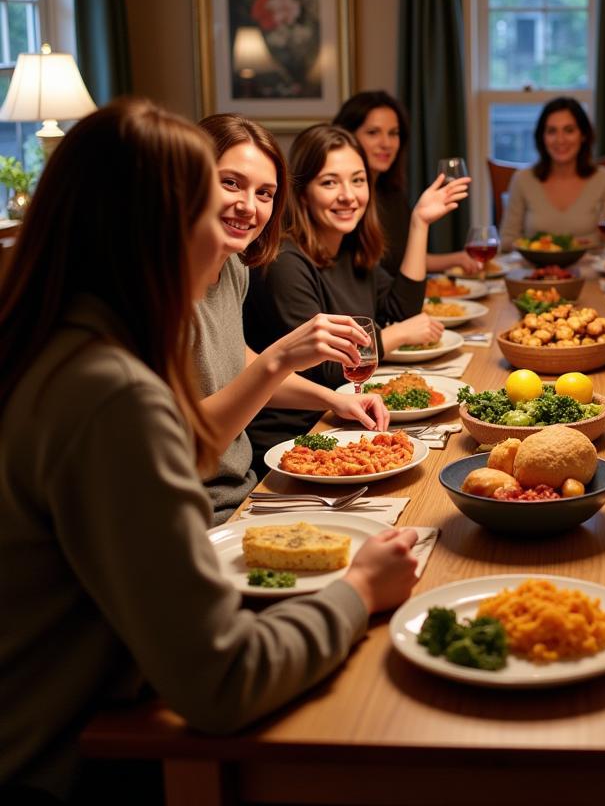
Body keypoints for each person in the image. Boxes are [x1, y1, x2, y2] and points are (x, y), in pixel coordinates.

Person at [0, 99, 420, 802]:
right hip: (72, 765)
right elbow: (222, 682)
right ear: (156, 227)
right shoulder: (111, 394)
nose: (243, 226)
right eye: (212, 200)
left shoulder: (63, 344)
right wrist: (360, 591)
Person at [196, 114, 389, 524]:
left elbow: (237, 359)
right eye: (230, 183)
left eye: (264, 193)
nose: (248, 206)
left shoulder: (232, 266)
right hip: (200, 512)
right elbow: (193, 446)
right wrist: (280, 356)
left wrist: (334, 400)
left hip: (246, 487)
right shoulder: (159, 293)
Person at [244, 125, 467, 459]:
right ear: (303, 193)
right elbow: (329, 371)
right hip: (296, 437)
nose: (348, 195)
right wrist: (397, 335)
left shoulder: (348, 251)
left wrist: (420, 223)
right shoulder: (285, 264)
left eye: (358, 180)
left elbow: (399, 311)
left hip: (344, 416)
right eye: (330, 182)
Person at [332, 91, 477, 276]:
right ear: (346, 136)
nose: (387, 143)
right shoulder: (342, 202)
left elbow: (403, 259)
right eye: (373, 132)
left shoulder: (391, 194)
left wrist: (457, 258)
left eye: (393, 133)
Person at [499, 97, 605, 250]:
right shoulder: (522, 179)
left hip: (591, 271)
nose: (560, 140)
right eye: (552, 131)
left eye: (569, 130)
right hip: (534, 271)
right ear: (542, 137)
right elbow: (507, 240)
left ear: (583, 135)